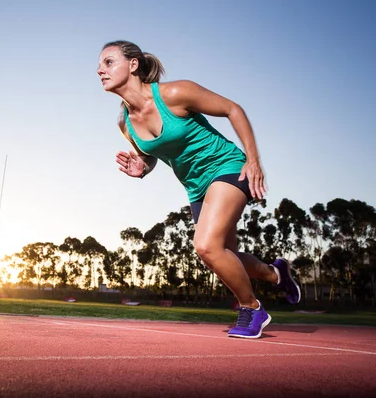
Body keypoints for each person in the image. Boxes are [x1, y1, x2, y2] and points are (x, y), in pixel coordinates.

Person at [97, 40, 301, 339]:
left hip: (228, 166)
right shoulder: (125, 123)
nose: (100, 70)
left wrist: (254, 160)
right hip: (195, 188)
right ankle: (276, 273)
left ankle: (252, 307)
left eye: (108, 62)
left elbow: (233, 109)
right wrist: (142, 167)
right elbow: (153, 152)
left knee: (206, 246)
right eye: (99, 66)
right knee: (224, 253)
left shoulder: (175, 93)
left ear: (133, 64)